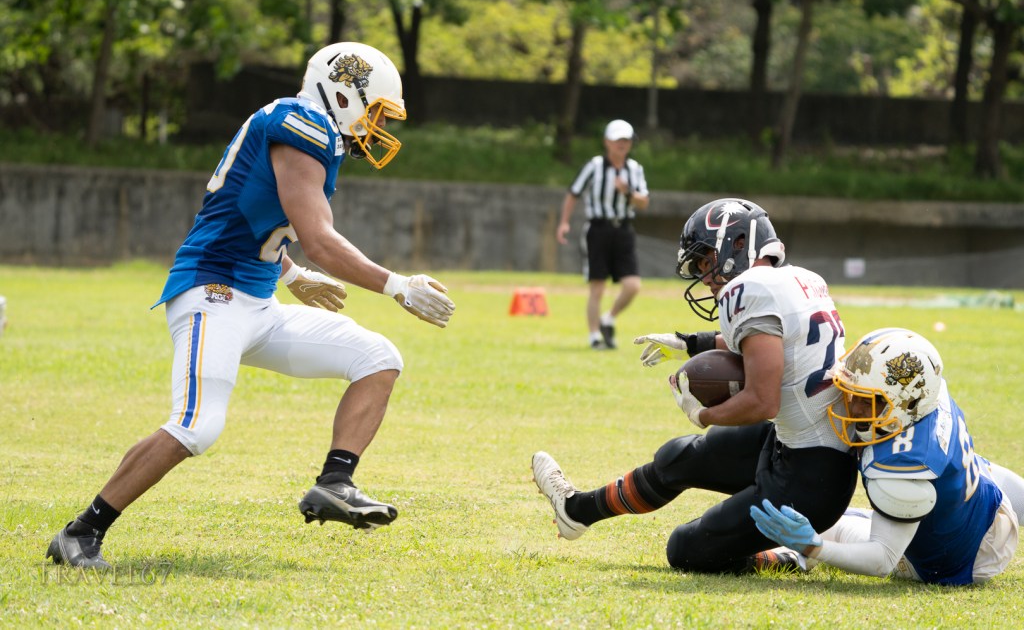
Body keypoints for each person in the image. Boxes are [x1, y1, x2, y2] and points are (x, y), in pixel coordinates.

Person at [46, 42, 456, 569]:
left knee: (378, 358)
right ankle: (80, 533)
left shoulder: (308, 128)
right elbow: (320, 240)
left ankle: (335, 482)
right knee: (196, 426)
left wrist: (291, 274)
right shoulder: (302, 124)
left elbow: (248, 209)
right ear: (343, 93)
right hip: (213, 294)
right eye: (374, 111)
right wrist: (396, 285)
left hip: (258, 304)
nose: (376, 127)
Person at [533, 197, 858, 573]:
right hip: (808, 451)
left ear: (738, 243)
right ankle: (577, 511)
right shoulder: (803, 279)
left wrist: (702, 414)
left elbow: (762, 401)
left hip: (808, 482)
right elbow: (766, 343)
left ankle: (790, 558)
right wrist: (690, 343)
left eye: (706, 261)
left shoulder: (749, 288)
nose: (705, 276)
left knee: (686, 549)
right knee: (680, 457)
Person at [750, 328, 1022, 585]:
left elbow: (881, 560)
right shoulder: (930, 393)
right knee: (960, 469)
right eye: (853, 394)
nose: (855, 409)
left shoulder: (900, 466)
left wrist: (813, 546)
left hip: (964, 562)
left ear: (908, 401)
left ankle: (794, 556)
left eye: (869, 400)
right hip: (991, 501)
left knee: (825, 527)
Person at [555, 119, 649, 350]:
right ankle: (594, 335)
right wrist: (564, 222)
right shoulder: (595, 166)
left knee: (632, 285)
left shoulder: (635, 169)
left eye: (626, 140)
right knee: (597, 285)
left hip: (623, 229)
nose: (622, 144)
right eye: (618, 140)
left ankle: (608, 318)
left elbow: (644, 202)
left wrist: (627, 192)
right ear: (607, 142)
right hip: (598, 229)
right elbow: (573, 193)